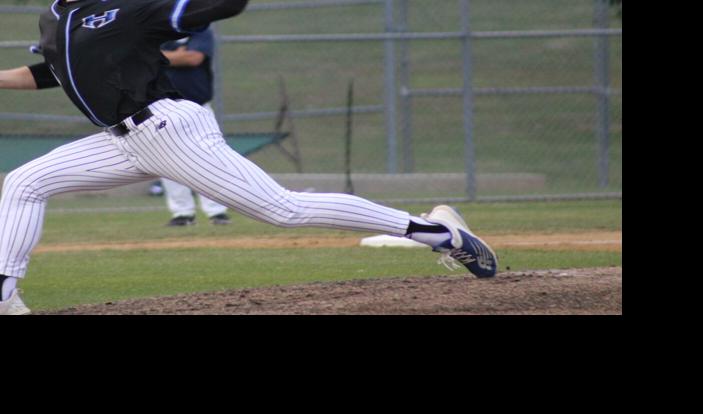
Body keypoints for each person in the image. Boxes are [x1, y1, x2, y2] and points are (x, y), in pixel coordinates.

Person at [0, 0, 497, 315]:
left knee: (284, 209)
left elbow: (220, 6)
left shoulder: (126, 8)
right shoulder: (56, 17)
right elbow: (51, 72)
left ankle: (440, 234)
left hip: (168, 128)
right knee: (23, 183)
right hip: (121, 139)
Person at [159, 27, 231, 227]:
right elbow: (142, 58)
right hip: (164, 107)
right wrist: (177, 55)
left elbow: (193, 58)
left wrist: (162, 56)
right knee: (166, 161)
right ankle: (182, 213)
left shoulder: (199, 28)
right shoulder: (156, 26)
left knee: (211, 157)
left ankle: (217, 211)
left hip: (198, 107)